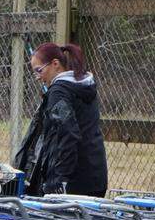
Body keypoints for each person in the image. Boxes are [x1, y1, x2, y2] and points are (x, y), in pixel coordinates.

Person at [13, 42, 108, 197]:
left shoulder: (59, 93)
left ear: (55, 64)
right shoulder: (85, 86)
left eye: (39, 70)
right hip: (95, 174)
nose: (38, 77)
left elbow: (68, 133)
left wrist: (59, 180)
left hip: (72, 182)